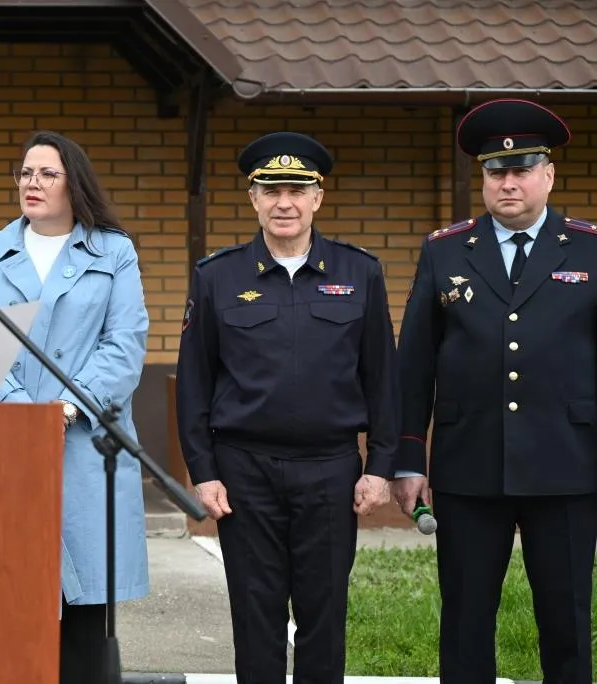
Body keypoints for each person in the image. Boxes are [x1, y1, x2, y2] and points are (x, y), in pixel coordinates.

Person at [175, 132, 397, 684]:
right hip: (244, 471)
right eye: (270, 190)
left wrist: (381, 467)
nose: (284, 203)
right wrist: (203, 473)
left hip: (329, 470)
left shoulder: (358, 273)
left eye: (297, 189)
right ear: (253, 199)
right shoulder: (216, 276)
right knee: (256, 616)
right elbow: (195, 386)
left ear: (318, 198)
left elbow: (383, 380)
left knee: (324, 615)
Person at [394, 98, 597, 683]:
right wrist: (410, 458)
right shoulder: (445, 249)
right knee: (464, 618)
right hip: (469, 466)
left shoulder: (588, 249)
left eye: (522, 168)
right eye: (494, 171)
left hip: (567, 465)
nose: (508, 182)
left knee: (567, 619)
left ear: (549, 174)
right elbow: (415, 366)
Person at [0, 130, 149, 684]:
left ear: (75, 183)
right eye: (25, 173)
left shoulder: (113, 250)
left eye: (47, 173)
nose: (33, 183)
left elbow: (125, 343)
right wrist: (22, 410)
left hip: (86, 446)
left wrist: (66, 407)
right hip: (5, 442)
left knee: (86, 613)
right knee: (7, 603)